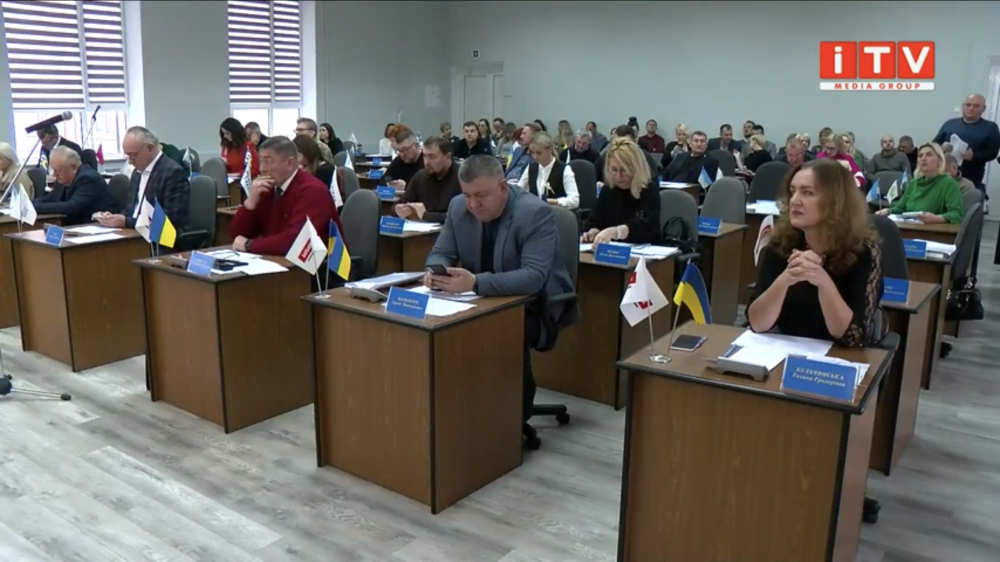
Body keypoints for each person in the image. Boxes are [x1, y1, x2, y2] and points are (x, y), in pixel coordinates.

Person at [423, 155, 576, 439]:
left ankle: (509, 421)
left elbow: (533, 277)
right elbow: (440, 252)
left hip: (534, 305)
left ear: (503, 187)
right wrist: (435, 271)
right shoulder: (458, 207)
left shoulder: (534, 212)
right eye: (467, 195)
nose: (473, 204)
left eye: (481, 195)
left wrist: (475, 283)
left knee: (497, 333)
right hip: (481, 300)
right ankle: (460, 413)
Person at [748, 158, 882, 346]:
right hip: (785, 350)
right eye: (793, 191)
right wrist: (786, 278)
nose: (795, 201)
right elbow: (757, 323)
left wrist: (822, 281)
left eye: (807, 193)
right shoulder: (780, 243)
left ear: (835, 202)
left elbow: (851, 336)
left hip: (837, 356)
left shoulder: (862, 251)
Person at [228, 136, 339, 255]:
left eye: (268, 162)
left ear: (289, 163)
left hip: (315, 264)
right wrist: (250, 203)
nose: (262, 169)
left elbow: (297, 241)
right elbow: (236, 235)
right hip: (275, 259)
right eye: (261, 162)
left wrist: (249, 245)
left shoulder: (313, 191)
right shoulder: (268, 188)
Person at [96, 126, 190, 234]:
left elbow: (170, 220)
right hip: (134, 233)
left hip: (162, 238)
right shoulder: (137, 172)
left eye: (133, 155)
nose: (130, 161)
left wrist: (126, 221)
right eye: (127, 156)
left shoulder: (173, 172)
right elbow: (131, 210)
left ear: (150, 148)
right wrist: (115, 218)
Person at [581, 138, 660, 245]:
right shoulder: (608, 189)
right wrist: (593, 232)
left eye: (624, 170)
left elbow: (646, 227)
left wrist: (616, 232)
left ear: (635, 168)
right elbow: (595, 220)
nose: (618, 176)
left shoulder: (649, 190)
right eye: (614, 170)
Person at [877, 143, 964, 224]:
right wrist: (887, 211)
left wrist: (936, 218)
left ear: (939, 160)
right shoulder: (913, 183)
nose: (923, 158)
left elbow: (957, 214)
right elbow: (901, 207)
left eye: (929, 155)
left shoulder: (948, 183)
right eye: (920, 156)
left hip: (934, 231)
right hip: (911, 227)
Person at [33, 146, 116, 225]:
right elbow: (50, 199)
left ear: (74, 168)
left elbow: (71, 207)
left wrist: (37, 207)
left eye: (58, 171)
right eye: (53, 170)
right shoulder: (64, 178)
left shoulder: (88, 178)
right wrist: (30, 205)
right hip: (73, 225)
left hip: (92, 225)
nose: (54, 175)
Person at [934, 93, 1000, 192]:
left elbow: (992, 153)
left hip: (971, 178)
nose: (971, 108)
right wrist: (941, 148)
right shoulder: (950, 124)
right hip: (944, 174)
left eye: (976, 106)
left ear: (983, 109)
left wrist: (974, 156)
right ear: (963, 106)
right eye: (968, 105)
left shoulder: (990, 128)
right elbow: (934, 145)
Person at [395, 135, 460, 223]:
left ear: (448, 157)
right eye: (425, 156)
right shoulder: (420, 176)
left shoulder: (462, 178)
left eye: (432, 157)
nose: (426, 162)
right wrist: (399, 209)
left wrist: (425, 215)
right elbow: (400, 203)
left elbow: (459, 217)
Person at [516, 132, 580, 209]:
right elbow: (518, 191)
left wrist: (555, 201)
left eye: (539, 153)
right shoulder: (531, 168)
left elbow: (575, 201)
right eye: (532, 153)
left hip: (556, 213)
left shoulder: (564, 169)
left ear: (550, 149)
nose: (535, 157)